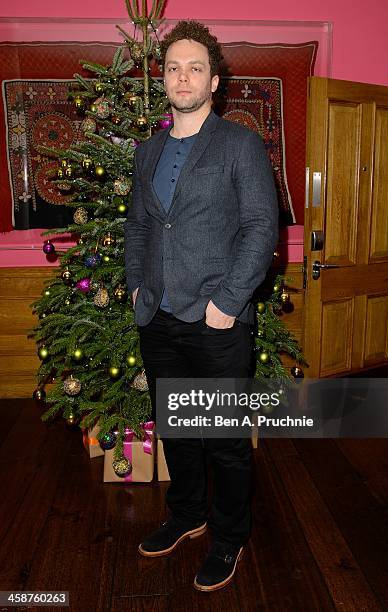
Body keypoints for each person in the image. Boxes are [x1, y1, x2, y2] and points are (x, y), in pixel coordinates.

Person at [124, 20, 279, 592]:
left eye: (194, 67)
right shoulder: (149, 151)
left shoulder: (239, 144)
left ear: (213, 80)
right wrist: (138, 283)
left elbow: (263, 228)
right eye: (172, 67)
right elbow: (139, 225)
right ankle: (187, 514)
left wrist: (228, 302)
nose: (182, 76)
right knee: (177, 429)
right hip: (158, 318)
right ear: (163, 80)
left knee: (225, 440)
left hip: (217, 322)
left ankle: (229, 537)